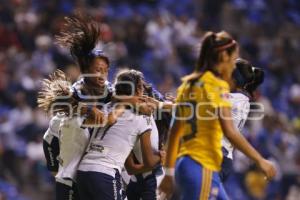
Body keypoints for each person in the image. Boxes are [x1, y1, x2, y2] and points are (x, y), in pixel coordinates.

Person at [159, 31, 276, 200]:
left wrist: (169, 173)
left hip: (187, 163)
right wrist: (260, 160)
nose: (232, 65)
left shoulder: (189, 84)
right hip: (203, 163)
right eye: (233, 58)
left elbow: (174, 132)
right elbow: (230, 132)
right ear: (223, 57)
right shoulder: (217, 87)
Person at [39, 13, 114, 200]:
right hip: (71, 179)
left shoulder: (109, 92)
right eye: (98, 70)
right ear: (87, 70)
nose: (103, 75)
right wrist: (56, 169)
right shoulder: (73, 95)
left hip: (100, 177)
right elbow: (49, 139)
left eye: (106, 71)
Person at [76, 69, 165, 200]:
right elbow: (150, 161)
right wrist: (162, 156)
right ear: (138, 90)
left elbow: (131, 168)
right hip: (105, 173)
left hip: (83, 172)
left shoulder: (106, 107)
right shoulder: (142, 115)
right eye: (141, 87)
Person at [220, 58, 265, 182]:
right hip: (224, 157)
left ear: (234, 79)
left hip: (218, 155)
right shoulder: (242, 99)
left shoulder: (231, 99)